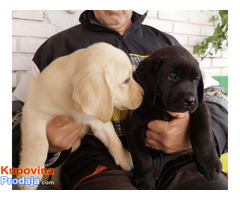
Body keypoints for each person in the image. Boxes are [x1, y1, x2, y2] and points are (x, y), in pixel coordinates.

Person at [12, 10, 228, 190]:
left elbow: (216, 96)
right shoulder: (56, 48)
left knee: (216, 188)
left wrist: (200, 136)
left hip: (180, 160)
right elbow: (17, 111)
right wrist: (46, 143)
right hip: (97, 162)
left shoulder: (168, 42)